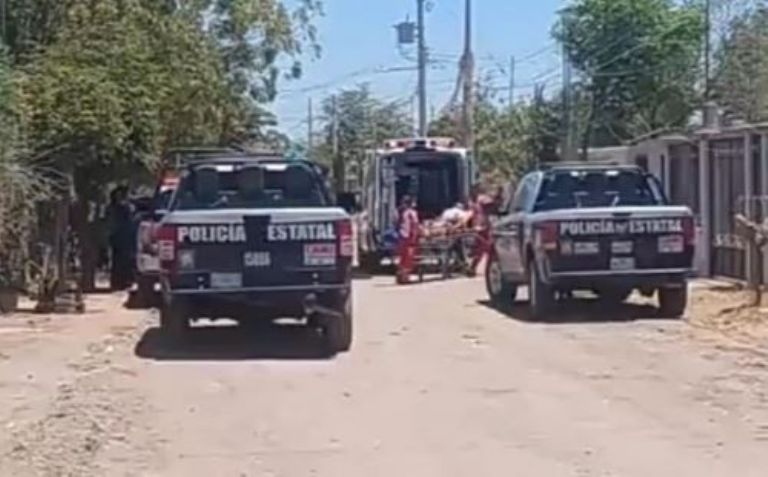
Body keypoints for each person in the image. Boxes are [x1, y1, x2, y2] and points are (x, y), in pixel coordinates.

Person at [107, 186, 135, 291]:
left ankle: (122, 282)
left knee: (123, 261)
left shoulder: (125, 208)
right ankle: (118, 283)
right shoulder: (117, 208)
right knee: (118, 261)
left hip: (123, 238)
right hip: (119, 238)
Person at [468, 187, 493, 277]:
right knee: (487, 248)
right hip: (483, 226)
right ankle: (474, 268)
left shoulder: (473, 202)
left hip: (479, 226)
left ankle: (472, 268)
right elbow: (490, 203)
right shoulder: (481, 198)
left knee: (480, 249)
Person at [396, 195, 420, 285]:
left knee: (404, 256)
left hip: (403, 236)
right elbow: (414, 225)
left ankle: (403, 276)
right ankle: (405, 277)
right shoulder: (411, 213)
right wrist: (414, 236)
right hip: (409, 237)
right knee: (408, 257)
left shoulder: (403, 212)